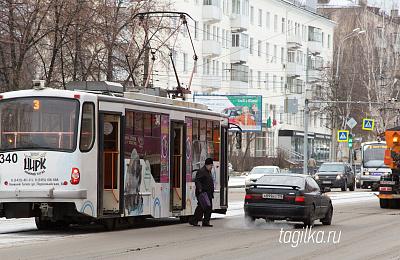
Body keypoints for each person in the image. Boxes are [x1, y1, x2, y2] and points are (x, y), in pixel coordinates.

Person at [189, 158, 215, 227]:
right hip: (203, 193)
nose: (212, 167)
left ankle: (206, 221)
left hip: (208, 193)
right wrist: (200, 189)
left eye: (212, 165)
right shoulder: (202, 171)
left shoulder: (208, 171)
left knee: (208, 207)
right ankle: (194, 220)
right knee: (201, 207)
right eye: (211, 165)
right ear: (206, 165)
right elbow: (198, 181)